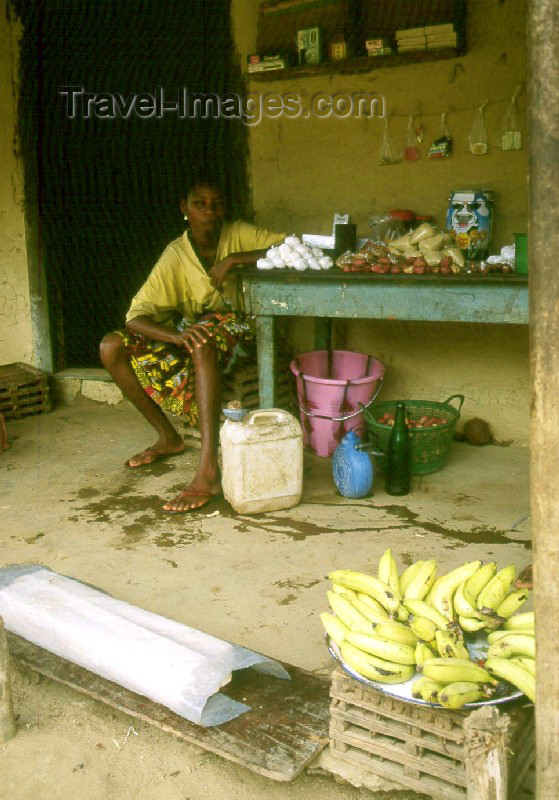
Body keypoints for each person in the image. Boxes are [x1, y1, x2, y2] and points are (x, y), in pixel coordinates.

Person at [100, 180, 284, 512]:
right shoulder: (176, 254)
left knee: (201, 340)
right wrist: (175, 337)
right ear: (184, 208)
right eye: (200, 204)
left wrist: (237, 260)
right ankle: (168, 438)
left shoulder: (239, 233)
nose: (209, 212)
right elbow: (135, 317)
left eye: (216, 204)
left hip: (244, 324)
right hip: (193, 331)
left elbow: (294, 248)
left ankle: (207, 472)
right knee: (111, 346)